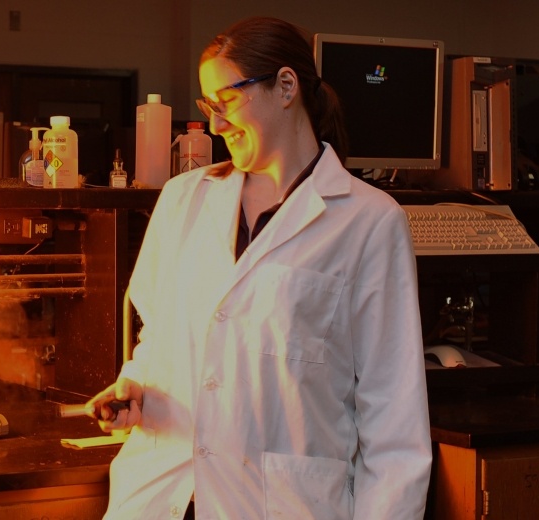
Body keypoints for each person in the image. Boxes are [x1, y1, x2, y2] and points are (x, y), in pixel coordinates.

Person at [85, 16, 431, 519]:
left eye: (227, 102)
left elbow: (394, 420)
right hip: (162, 495)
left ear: (286, 86)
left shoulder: (368, 221)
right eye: (210, 106)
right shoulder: (185, 198)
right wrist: (136, 384)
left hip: (280, 505)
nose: (217, 124)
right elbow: (158, 335)